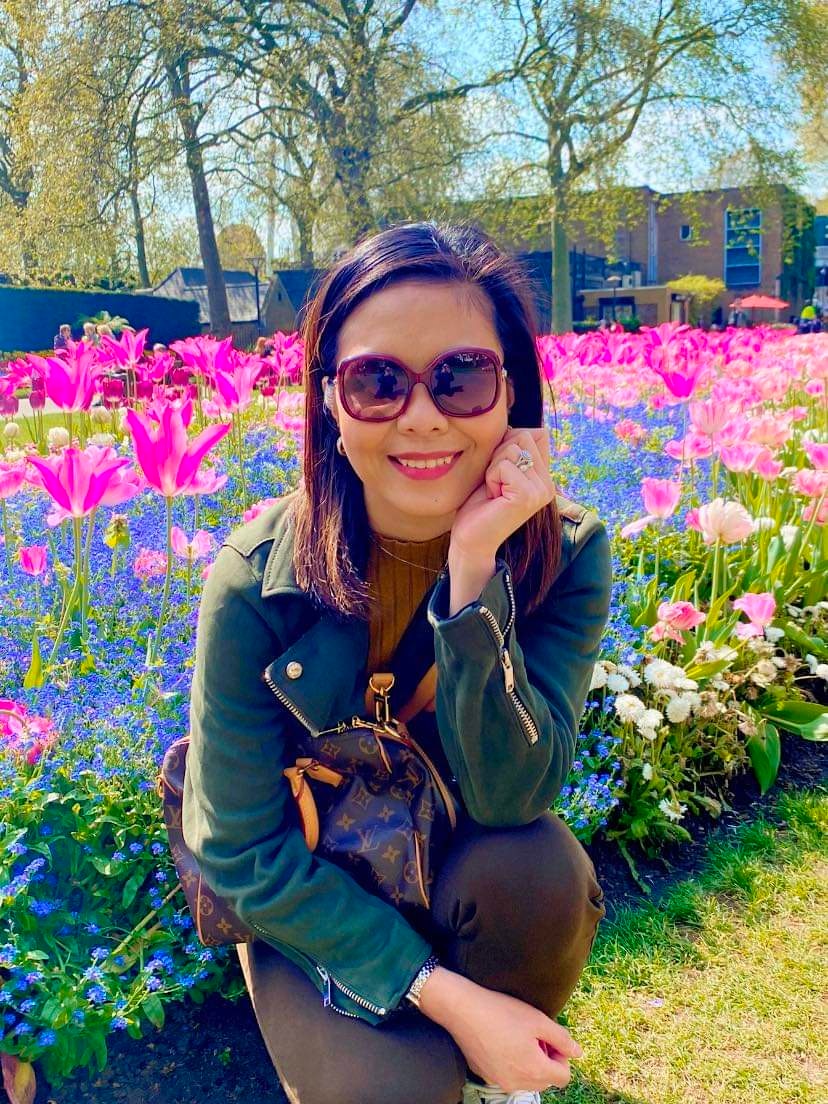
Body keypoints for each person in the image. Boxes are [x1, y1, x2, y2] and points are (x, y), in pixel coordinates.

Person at [182, 222, 613, 1104]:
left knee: (538, 871)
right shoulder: (259, 580)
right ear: (329, 405)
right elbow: (237, 847)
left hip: (463, 858)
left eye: (461, 377)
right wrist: (444, 996)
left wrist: (472, 579)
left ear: (512, 396)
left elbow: (512, 795)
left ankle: (496, 1082)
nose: (423, 414)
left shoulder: (563, 556)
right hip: (316, 891)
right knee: (397, 1095)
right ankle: (430, 1040)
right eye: (377, 381)